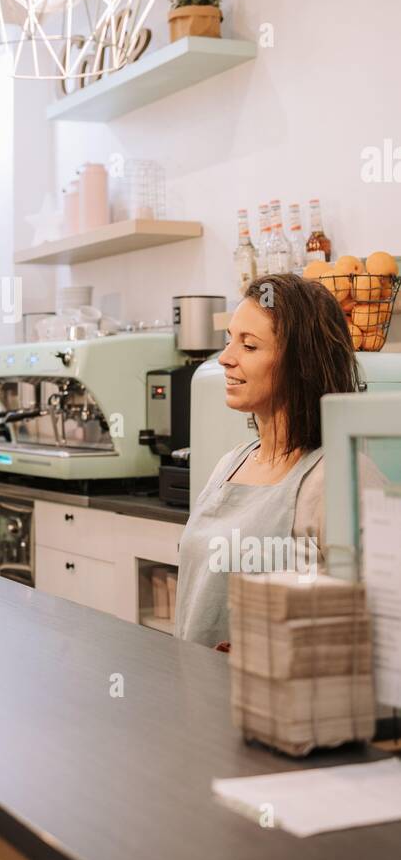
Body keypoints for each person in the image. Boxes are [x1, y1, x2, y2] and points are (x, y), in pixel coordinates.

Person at [174, 273, 360, 650]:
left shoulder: (339, 479)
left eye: (249, 346)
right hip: (196, 697)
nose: (225, 358)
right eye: (229, 341)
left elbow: (374, 626)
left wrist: (268, 650)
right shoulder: (230, 464)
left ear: (300, 363)